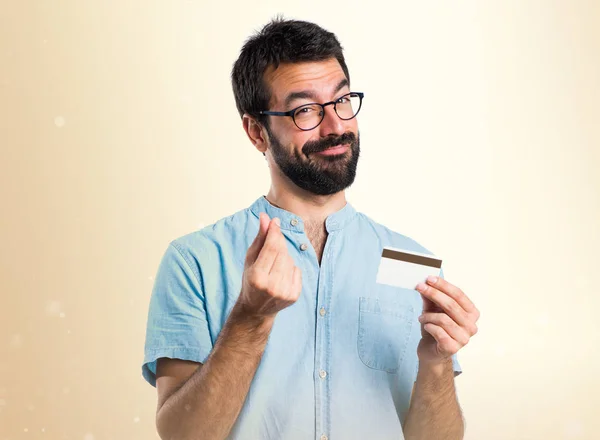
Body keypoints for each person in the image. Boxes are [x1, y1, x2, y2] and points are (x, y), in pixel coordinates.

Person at [142, 17, 480, 440]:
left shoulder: (412, 264)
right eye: (305, 111)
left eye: (341, 101)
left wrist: (435, 363)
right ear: (256, 132)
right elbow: (182, 435)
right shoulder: (195, 261)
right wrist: (249, 319)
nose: (335, 126)